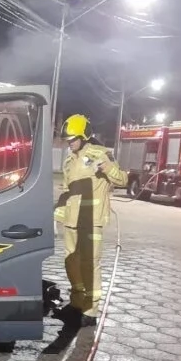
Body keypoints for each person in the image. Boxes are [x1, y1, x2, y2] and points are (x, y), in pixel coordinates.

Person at [54, 114, 127, 328]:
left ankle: (90, 309)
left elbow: (122, 179)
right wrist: (57, 216)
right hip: (71, 222)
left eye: (72, 139)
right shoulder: (69, 161)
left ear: (83, 136)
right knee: (71, 262)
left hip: (92, 220)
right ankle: (77, 302)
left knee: (90, 264)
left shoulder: (100, 154)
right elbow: (67, 192)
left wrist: (108, 168)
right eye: (67, 140)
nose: (69, 143)